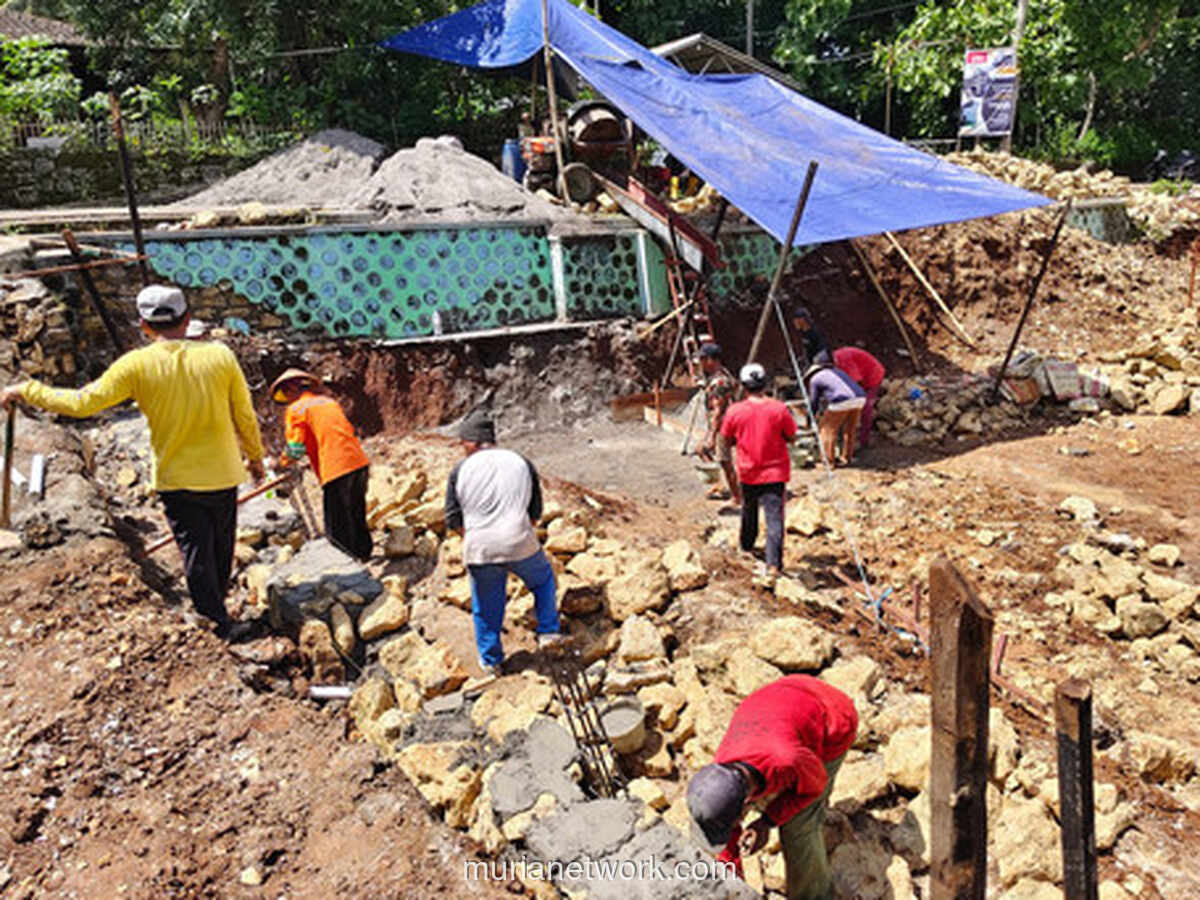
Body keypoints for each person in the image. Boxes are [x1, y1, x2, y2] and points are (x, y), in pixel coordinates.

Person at [0, 285, 265, 640]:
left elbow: (82, 403)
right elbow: (244, 415)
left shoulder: (136, 365)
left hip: (176, 479)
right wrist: (255, 459)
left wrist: (27, 390)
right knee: (220, 546)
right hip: (222, 474)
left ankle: (215, 620)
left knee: (196, 551)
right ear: (188, 319)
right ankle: (218, 617)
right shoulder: (221, 356)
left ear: (144, 326)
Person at [686, 676, 858, 900]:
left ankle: (816, 895)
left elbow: (815, 786)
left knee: (798, 827)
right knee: (719, 807)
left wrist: (768, 821)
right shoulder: (720, 772)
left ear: (746, 802)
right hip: (781, 703)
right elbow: (726, 827)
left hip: (834, 716)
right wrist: (735, 886)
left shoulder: (788, 760)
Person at [444, 408, 563, 677]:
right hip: (518, 539)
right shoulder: (520, 461)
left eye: (463, 443)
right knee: (543, 580)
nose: (462, 448)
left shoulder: (460, 470)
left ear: (472, 442)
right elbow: (534, 513)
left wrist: (477, 535)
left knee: (486, 606)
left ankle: (491, 661)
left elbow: (453, 519)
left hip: (480, 548)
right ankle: (548, 632)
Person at [270, 368, 372, 561]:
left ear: (292, 388)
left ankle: (346, 571)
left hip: (335, 468)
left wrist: (281, 462)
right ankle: (364, 555)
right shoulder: (329, 402)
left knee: (337, 525)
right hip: (358, 463)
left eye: (286, 393)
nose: (287, 399)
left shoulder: (297, 409)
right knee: (356, 512)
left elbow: (295, 450)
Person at [718, 363, 797, 577]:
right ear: (765, 384)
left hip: (748, 471)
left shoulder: (735, 411)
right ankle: (773, 565)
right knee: (774, 518)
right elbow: (791, 435)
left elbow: (725, 437)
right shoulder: (779, 408)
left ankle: (746, 545)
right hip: (775, 472)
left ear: (744, 386)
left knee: (749, 510)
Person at [694, 343, 738, 500]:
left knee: (726, 462)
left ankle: (737, 497)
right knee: (701, 449)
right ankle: (720, 484)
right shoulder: (718, 376)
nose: (700, 363)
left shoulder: (720, 382)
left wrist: (712, 436)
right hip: (719, 424)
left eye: (703, 359)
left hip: (724, 427)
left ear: (712, 360)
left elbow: (718, 410)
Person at [803, 358, 866, 467]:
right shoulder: (838, 372)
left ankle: (828, 462)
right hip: (860, 398)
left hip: (841, 400)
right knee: (849, 429)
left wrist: (810, 419)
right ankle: (847, 457)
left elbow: (813, 402)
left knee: (826, 430)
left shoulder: (815, 379)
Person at [832, 346, 885, 449]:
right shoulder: (834, 361)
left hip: (873, 376)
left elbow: (855, 384)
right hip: (862, 375)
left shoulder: (845, 362)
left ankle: (864, 441)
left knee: (865, 408)